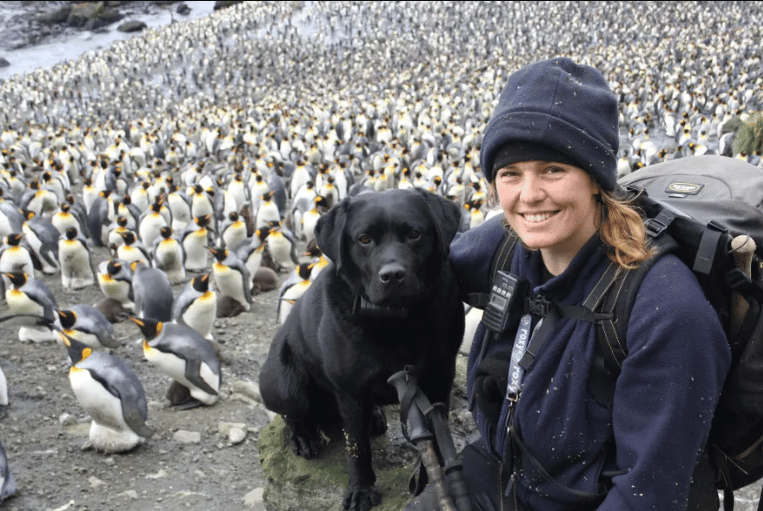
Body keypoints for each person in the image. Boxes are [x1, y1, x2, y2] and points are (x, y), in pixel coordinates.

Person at [406, 57, 731, 510]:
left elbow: (648, 494)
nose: (529, 195)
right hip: (509, 468)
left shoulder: (666, 308)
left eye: (553, 170)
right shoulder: (506, 245)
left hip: (593, 500)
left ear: (596, 179)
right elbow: (414, 273)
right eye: (510, 174)